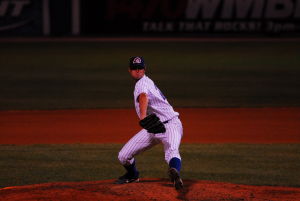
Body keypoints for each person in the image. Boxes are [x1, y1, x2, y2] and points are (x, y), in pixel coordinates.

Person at [115, 56, 184, 190]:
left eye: (140, 68)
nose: (138, 71)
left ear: (144, 69)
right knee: (123, 156)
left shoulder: (142, 83)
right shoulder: (144, 82)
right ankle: (133, 175)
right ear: (130, 70)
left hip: (171, 125)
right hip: (153, 127)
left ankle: (175, 173)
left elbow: (143, 96)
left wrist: (142, 117)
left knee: (172, 151)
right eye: (135, 69)